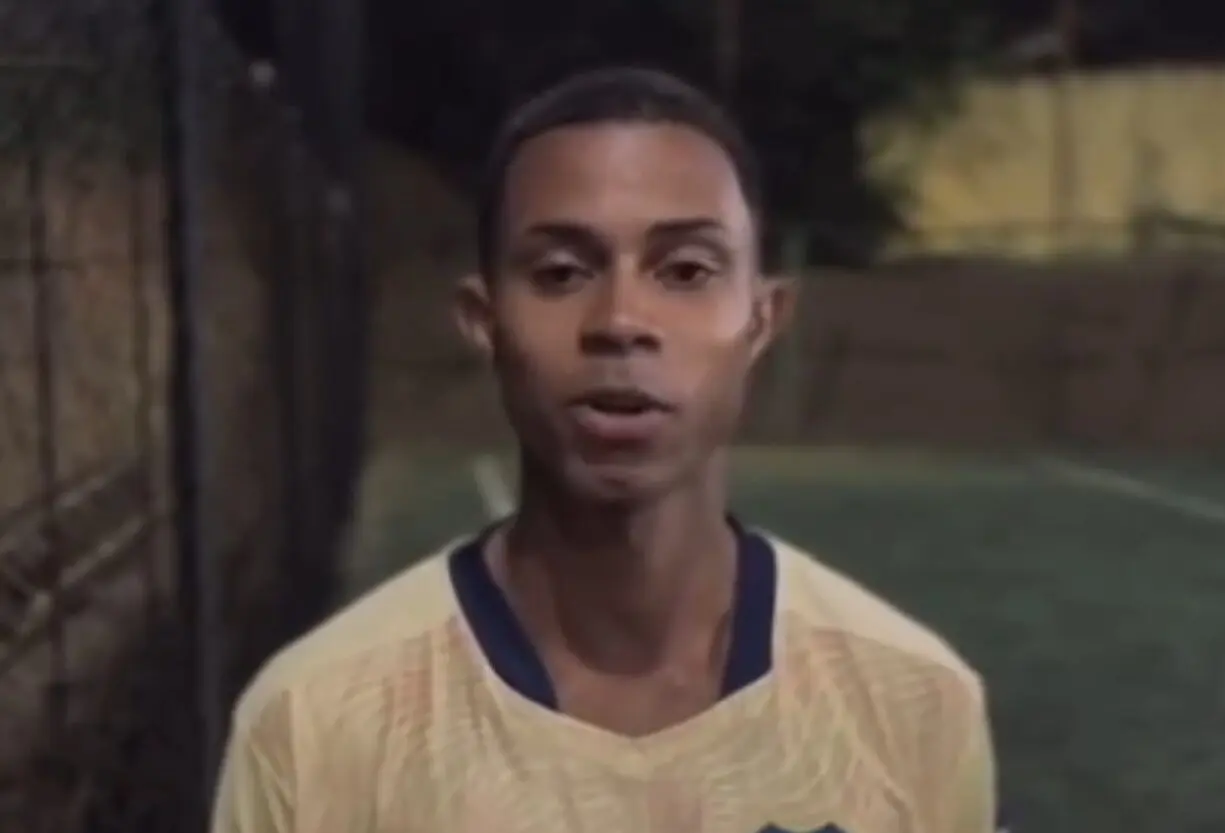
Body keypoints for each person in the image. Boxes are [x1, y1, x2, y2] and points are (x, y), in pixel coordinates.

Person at [211, 66, 1000, 833]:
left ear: (761, 321)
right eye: (561, 273)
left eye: (685, 270)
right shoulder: (311, 723)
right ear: (485, 321)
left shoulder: (919, 702)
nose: (622, 320)